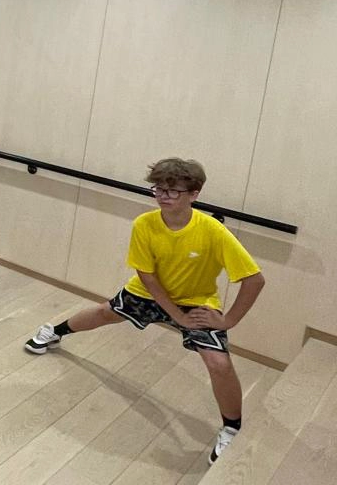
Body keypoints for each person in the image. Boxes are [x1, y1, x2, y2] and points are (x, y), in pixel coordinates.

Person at [24, 156, 265, 464]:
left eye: (173, 190)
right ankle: (54, 332)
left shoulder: (213, 232)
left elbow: (254, 280)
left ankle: (231, 428)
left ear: (194, 194)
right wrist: (176, 316)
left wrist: (228, 320)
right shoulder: (144, 224)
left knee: (219, 363)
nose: (164, 196)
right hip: (148, 293)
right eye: (159, 189)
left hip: (196, 302)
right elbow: (147, 277)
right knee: (104, 313)